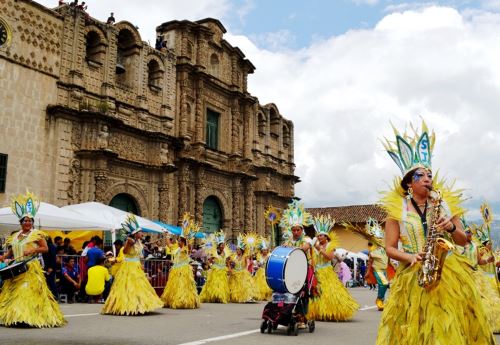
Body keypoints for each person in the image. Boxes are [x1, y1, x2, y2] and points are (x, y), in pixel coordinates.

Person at [375, 121, 494, 344]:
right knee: (414, 326)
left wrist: (449, 227)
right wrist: (410, 256)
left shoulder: (444, 205)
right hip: (412, 274)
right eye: (422, 174)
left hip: (447, 271)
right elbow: (389, 248)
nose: (428, 178)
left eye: (430, 174)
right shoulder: (396, 211)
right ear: (409, 182)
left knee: (448, 325)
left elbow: (462, 240)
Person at [0, 192, 65, 327]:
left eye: (30, 221)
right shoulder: (16, 235)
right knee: (13, 291)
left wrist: (33, 250)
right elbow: (13, 248)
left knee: (26, 292)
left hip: (30, 268)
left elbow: (45, 248)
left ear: (32, 222)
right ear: (21, 222)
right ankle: (14, 317)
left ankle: (27, 318)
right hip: (16, 267)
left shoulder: (37, 234)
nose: (28, 223)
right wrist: (5, 256)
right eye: (25, 221)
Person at [102, 214, 163, 315]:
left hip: (136, 266)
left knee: (139, 286)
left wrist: (141, 264)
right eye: (140, 232)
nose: (142, 234)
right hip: (129, 266)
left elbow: (139, 255)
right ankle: (126, 305)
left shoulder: (139, 242)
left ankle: (138, 305)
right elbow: (125, 252)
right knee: (128, 285)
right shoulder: (130, 241)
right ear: (135, 233)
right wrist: (130, 243)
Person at [307, 215, 359, 321]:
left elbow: (329, 257)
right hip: (316, 272)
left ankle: (330, 312)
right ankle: (319, 312)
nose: (320, 237)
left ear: (326, 237)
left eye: (322, 235)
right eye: (319, 235)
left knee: (329, 292)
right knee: (316, 292)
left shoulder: (330, 245)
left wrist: (320, 249)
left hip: (326, 272)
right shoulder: (315, 245)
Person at [280, 200, 314, 329]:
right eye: (293, 230)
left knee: (302, 295)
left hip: (304, 271)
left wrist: (291, 248)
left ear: (302, 230)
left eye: (298, 230)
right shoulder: (288, 241)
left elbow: (304, 248)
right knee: (287, 293)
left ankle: (302, 319)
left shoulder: (307, 240)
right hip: (290, 271)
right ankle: (286, 316)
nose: (295, 232)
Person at [161, 213, 200, 309]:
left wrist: (188, 237)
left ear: (182, 242)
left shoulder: (185, 249)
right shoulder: (177, 248)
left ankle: (183, 301)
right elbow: (169, 245)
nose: (178, 241)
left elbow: (190, 247)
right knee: (175, 286)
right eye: (178, 240)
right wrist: (166, 236)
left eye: (179, 240)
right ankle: (173, 300)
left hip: (184, 270)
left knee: (183, 285)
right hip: (175, 270)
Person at [200, 231, 230, 303]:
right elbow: (209, 261)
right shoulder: (215, 252)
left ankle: (220, 297)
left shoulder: (226, 253)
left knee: (222, 284)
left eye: (223, 245)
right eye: (221, 245)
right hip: (216, 271)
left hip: (223, 271)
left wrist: (229, 268)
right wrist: (208, 263)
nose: (223, 246)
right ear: (219, 246)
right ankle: (214, 296)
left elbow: (227, 262)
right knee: (215, 284)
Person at [228, 234, 253, 303]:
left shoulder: (244, 256)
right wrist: (230, 268)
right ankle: (235, 297)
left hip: (242, 272)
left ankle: (245, 297)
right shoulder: (234, 257)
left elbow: (248, 260)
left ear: (241, 250)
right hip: (235, 273)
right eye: (237, 249)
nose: (237, 251)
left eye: (238, 249)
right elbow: (229, 263)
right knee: (234, 286)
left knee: (243, 285)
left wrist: (250, 250)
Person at [252, 237, 272, 301]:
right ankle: (260, 295)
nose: (265, 251)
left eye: (266, 250)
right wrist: (256, 265)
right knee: (259, 283)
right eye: (263, 250)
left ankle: (266, 295)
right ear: (261, 251)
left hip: (267, 271)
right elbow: (256, 263)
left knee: (266, 284)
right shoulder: (259, 256)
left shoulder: (270, 256)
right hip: (260, 271)